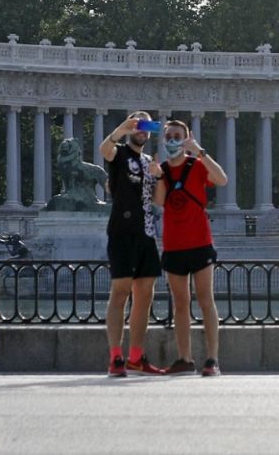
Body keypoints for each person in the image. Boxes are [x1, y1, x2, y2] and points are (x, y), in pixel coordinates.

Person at [153, 119, 228, 377]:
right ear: (164, 140)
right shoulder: (161, 169)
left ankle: (212, 360)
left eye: (178, 136)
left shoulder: (197, 165)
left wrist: (199, 151)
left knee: (206, 300)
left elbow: (221, 179)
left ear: (186, 138)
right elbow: (160, 202)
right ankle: (184, 359)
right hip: (173, 245)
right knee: (181, 304)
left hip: (200, 243)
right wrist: (158, 176)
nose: (173, 140)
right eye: (170, 136)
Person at [99, 111, 164, 377]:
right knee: (121, 292)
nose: (141, 129)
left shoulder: (149, 161)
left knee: (145, 296)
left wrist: (159, 176)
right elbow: (105, 149)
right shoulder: (119, 153)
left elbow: (159, 201)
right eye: (138, 124)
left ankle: (136, 356)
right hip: (122, 232)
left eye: (146, 125)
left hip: (147, 233)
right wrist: (120, 130)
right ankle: (116, 356)